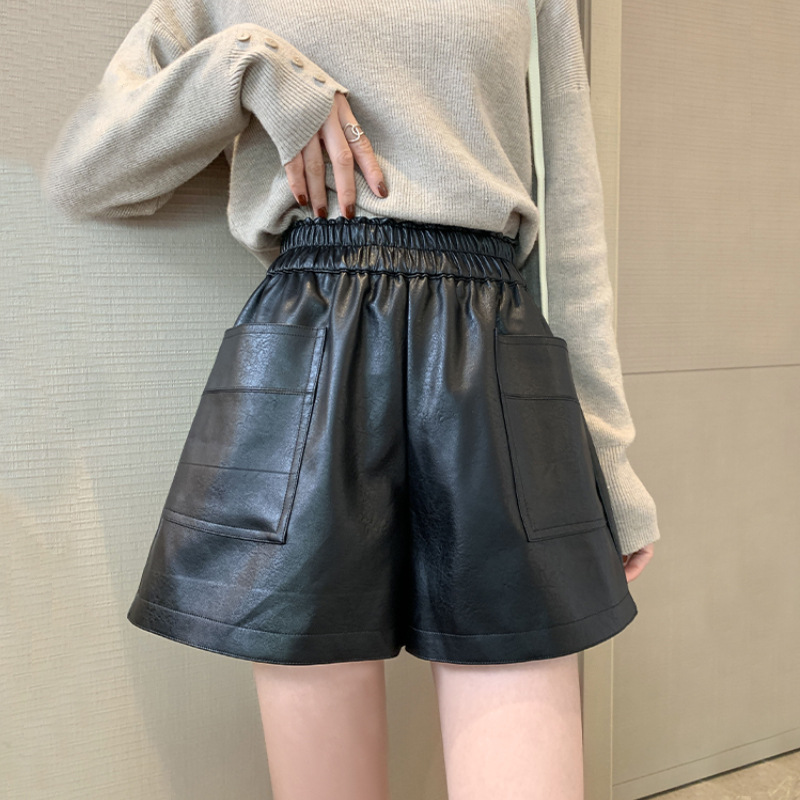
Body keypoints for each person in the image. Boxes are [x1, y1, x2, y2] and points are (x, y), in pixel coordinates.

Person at [42, 0, 660, 796]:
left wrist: (608, 454)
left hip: (492, 343)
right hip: (311, 347)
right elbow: (83, 172)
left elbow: (570, 215)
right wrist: (250, 66)